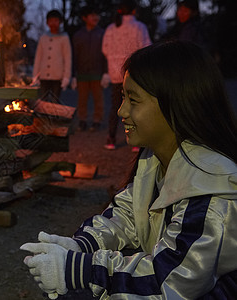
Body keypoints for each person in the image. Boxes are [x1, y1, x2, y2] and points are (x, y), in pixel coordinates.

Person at [20, 40, 237, 299]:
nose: (121, 111)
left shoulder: (212, 191)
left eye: (133, 100)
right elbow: (129, 214)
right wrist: (81, 245)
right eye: (123, 97)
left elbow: (168, 279)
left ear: (177, 104)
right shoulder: (156, 158)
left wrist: (80, 269)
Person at [101, 0, 151, 150]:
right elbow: (147, 47)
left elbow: (105, 49)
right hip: (133, 72)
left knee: (116, 105)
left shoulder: (111, 28)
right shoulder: (139, 27)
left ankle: (111, 138)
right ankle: (138, 140)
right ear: (134, 11)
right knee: (135, 106)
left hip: (116, 73)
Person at [72, 6, 108, 132]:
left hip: (97, 73)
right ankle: (82, 120)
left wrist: (105, 72)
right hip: (82, 73)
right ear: (84, 18)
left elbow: (106, 54)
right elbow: (75, 55)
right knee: (82, 99)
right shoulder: (78, 35)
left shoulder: (102, 33)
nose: (96, 18)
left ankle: (97, 121)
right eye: (92, 15)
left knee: (99, 99)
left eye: (97, 15)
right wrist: (73, 75)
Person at [32, 9, 72, 103]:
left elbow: (68, 58)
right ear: (47, 22)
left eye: (56, 21)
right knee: (42, 101)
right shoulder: (43, 38)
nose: (53, 23)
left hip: (57, 76)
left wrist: (66, 76)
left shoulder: (64, 38)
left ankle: (53, 117)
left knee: (55, 101)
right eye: (50, 21)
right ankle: (42, 117)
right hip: (43, 76)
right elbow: (38, 57)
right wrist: (35, 75)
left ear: (60, 22)